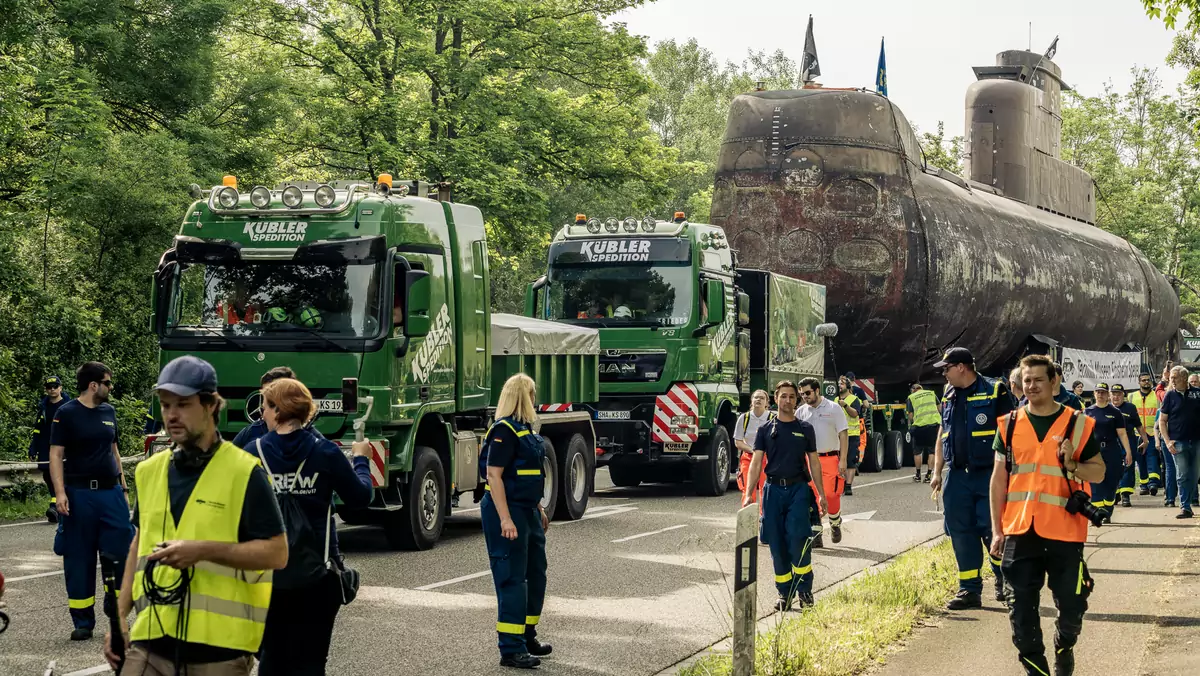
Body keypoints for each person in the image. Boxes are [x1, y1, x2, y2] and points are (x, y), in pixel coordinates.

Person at [105, 355, 288, 675]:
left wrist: (203, 550)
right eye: (165, 405)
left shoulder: (244, 472)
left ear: (210, 406)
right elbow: (139, 545)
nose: (171, 415)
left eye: (182, 404)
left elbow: (277, 552)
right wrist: (120, 616)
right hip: (152, 643)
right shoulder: (149, 472)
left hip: (218, 655)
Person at [990, 353, 1105, 676]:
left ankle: (1064, 644)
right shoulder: (1009, 424)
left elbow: (1097, 472)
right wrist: (997, 530)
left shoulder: (1078, 424)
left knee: (1072, 604)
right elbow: (998, 480)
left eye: (1038, 379)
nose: (1031, 386)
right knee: (1020, 609)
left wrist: (1073, 465)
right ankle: (1037, 668)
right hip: (1020, 529)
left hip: (1065, 530)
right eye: (1026, 380)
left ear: (1054, 382)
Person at [251, 377, 372, 676]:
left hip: (266, 577)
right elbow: (360, 498)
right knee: (311, 663)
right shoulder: (325, 452)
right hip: (316, 576)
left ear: (278, 410)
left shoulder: (252, 453)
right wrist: (361, 461)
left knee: (271, 660)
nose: (262, 414)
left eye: (264, 407)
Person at [48, 362, 133, 640]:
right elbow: (56, 455)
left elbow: (114, 451)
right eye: (107, 383)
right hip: (79, 494)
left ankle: (117, 609)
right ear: (93, 385)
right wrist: (60, 493)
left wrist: (123, 486)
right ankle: (83, 621)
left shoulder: (109, 412)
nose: (111, 388)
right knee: (79, 557)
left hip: (111, 494)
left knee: (121, 553)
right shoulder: (66, 413)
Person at [929, 347, 1015, 610]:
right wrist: (936, 472)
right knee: (960, 531)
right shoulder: (949, 395)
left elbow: (1012, 431)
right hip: (958, 476)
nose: (944, 374)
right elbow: (943, 431)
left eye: (946, 369)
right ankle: (969, 589)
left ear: (962, 367)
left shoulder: (995, 390)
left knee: (993, 529)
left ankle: (1005, 581)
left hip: (989, 473)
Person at [481, 374, 552, 669]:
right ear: (525, 396)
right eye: (532, 394)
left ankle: (527, 634)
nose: (535, 399)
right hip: (507, 511)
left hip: (528, 510)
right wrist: (505, 519)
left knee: (536, 573)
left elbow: (528, 474)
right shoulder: (504, 431)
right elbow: (493, 475)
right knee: (512, 577)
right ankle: (510, 648)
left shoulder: (524, 429)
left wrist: (538, 506)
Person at [741, 380, 826, 610]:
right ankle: (784, 595)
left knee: (799, 541)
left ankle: (805, 591)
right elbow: (756, 462)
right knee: (776, 545)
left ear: (796, 400)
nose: (787, 400)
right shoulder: (765, 430)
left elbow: (815, 463)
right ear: (775, 399)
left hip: (798, 490)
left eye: (791, 397)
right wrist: (749, 494)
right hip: (772, 492)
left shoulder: (805, 429)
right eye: (783, 396)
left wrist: (821, 495)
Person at [797, 377, 848, 545]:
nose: (805, 396)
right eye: (802, 394)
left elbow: (843, 434)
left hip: (830, 458)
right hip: (809, 460)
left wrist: (843, 460)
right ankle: (816, 532)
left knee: (831, 495)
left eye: (808, 393)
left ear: (817, 390)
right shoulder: (801, 411)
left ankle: (834, 522)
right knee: (811, 496)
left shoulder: (834, 408)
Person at [232, 367, 326, 449]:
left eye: (273, 394)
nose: (263, 409)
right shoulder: (252, 433)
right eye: (265, 395)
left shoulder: (316, 441)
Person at [1082, 384, 1132, 523]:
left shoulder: (1115, 412)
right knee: (1096, 482)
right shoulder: (1087, 412)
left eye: (1103, 392)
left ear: (1107, 395)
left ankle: (1108, 509)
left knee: (1111, 481)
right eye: (1098, 392)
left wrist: (1128, 452)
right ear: (1094, 394)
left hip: (1111, 450)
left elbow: (1122, 434)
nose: (1101, 395)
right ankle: (1098, 514)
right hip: (1094, 451)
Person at [1158, 365, 1200, 518]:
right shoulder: (1170, 396)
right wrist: (1167, 441)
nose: (1172, 381)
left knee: (1194, 475)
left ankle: (1190, 500)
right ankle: (1185, 506)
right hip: (1178, 442)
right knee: (1182, 475)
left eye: (1175, 378)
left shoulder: (1197, 394)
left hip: (1196, 441)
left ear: (1184, 378)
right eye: (1171, 378)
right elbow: (1162, 421)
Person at [28, 375, 70, 523]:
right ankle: (56, 501)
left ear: (60, 388)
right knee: (47, 473)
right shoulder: (43, 407)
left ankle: (57, 504)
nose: (52, 390)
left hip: (64, 447)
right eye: (49, 387)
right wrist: (33, 447)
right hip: (46, 445)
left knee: (62, 473)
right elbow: (38, 429)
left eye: (55, 387)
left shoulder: (68, 406)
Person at [734, 390, 774, 509]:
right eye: (756, 397)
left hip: (767, 459)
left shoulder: (772, 418)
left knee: (766, 489)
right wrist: (753, 450)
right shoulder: (744, 418)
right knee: (747, 490)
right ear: (751, 401)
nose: (758, 400)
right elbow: (738, 441)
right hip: (748, 458)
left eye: (762, 398)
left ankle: (765, 520)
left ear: (767, 402)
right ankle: (748, 519)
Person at [1112, 383, 1147, 507]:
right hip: (1112, 441)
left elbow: (1138, 425)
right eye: (1113, 394)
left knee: (1128, 465)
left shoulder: (1130, 408)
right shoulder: (1107, 408)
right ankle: (1115, 493)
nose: (1116, 397)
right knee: (1113, 467)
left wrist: (1145, 440)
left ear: (1123, 395)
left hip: (1129, 439)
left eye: (1118, 394)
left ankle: (1125, 495)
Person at [1129, 373, 1162, 496]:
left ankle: (1153, 483)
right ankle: (1144, 484)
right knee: (1140, 459)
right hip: (1137, 433)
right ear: (1139, 382)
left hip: (1153, 432)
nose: (1146, 382)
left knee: (1152, 456)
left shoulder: (1156, 396)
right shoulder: (1131, 396)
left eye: (1148, 380)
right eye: (1143, 380)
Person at [906, 383, 941, 483]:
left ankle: (918, 475)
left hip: (919, 426)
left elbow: (911, 416)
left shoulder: (911, 397)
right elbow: (940, 409)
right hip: (934, 425)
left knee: (918, 451)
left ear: (913, 390)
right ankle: (929, 475)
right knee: (932, 451)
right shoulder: (931, 394)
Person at [835, 376, 863, 495]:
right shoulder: (835, 400)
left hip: (851, 434)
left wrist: (845, 406)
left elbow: (855, 414)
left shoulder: (854, 399)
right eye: (838, 384)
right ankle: (840, 483)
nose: (839, 385)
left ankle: (848, 485)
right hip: (837, 435)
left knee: (850, 460)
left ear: (847, 386)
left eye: (842, 383)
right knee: (838, 460)